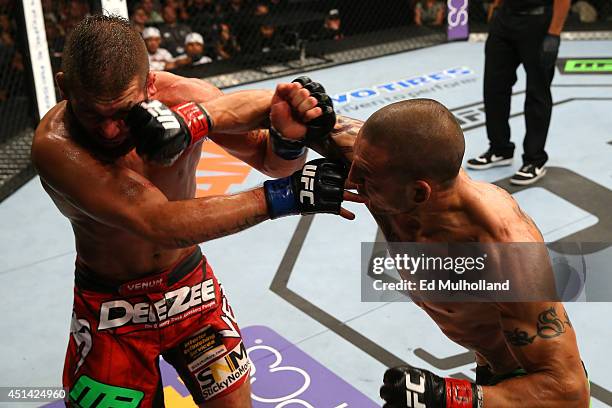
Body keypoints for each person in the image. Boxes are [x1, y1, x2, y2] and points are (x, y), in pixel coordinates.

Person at [31, 14, 359, 407]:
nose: (109, 131)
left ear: (150, 83)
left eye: (122, 112)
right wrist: (289, 196)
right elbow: (159, 223)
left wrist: (289, 138)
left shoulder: (184, 95)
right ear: (64, 86)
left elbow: (271, 161)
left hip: (189, 288)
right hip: (110, 309)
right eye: (93, 114)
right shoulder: (55, 146)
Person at [306, 99, 590, 407]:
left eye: (364, 176)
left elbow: (569, 392)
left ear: (419, 192)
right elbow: (279, 114)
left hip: (528, 384)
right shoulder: (386, 170)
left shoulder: (504, 251)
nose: (351, 180)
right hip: (488, 364)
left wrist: (448, 398)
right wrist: (300, 113)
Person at [466, 0, 571, 185]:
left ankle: (534, 160)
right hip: (505, 19)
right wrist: (497, 6)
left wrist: (554, 33)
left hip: (538, 22)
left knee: (537, 92)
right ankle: (500, 148)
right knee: (494, 86)